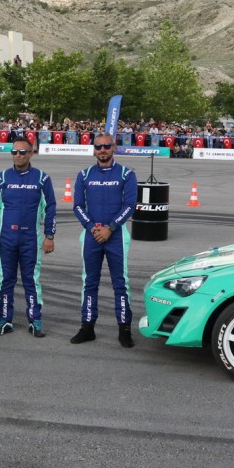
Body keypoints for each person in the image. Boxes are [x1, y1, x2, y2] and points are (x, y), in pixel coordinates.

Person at [70, 133, 138, 347]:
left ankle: (124, 329)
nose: (102, 150)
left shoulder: (127, 174)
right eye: (98, 147)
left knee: (121, 283)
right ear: (94, 149)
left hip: (116, 235)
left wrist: (110, 228)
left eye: (106, 146)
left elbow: (130, 205)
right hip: (91, 235)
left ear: (113, 147)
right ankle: (87, 327)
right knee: (89, 282)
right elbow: (77, 206)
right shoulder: (84, 174)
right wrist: (92, 228)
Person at [0, 140, 57, 336]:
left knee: (31, 280)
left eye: (22, 152)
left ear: (31, 153)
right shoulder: (1, 178)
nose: (18, 155)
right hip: (6, 239)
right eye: (14, 151)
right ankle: (5, 320)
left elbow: (51, 208)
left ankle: (35, 321)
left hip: (31, 239)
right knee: (5, 280)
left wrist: (49, 235)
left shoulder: (42, 178)